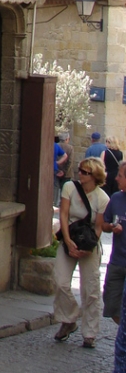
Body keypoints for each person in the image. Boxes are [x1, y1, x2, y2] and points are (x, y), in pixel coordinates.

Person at [53, 156, 109, 347]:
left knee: (91, 289)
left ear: (94, 176)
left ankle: (90, 333)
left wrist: (88, 249)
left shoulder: (103, 198)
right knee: (60, 281)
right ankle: (69, 319)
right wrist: (67, 241)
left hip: (89, 245)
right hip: (70, 237)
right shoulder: (69, 187)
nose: (80, 174)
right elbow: (64, 214)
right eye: (80, 170)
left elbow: (99, 228)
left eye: (85, 172)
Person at [103, 162, 126, 324]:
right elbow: (103, 224)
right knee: (111, 304)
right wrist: (111, 227)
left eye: (120, 175)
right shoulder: (116, 198)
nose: (116, 178)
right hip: (117, 262)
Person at [54, 138, 67, 207]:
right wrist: (57, 163)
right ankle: (54, 202)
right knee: (55, 186)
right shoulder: (55, 145)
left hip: (45, 167)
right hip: (54, 168)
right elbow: (65, 156)